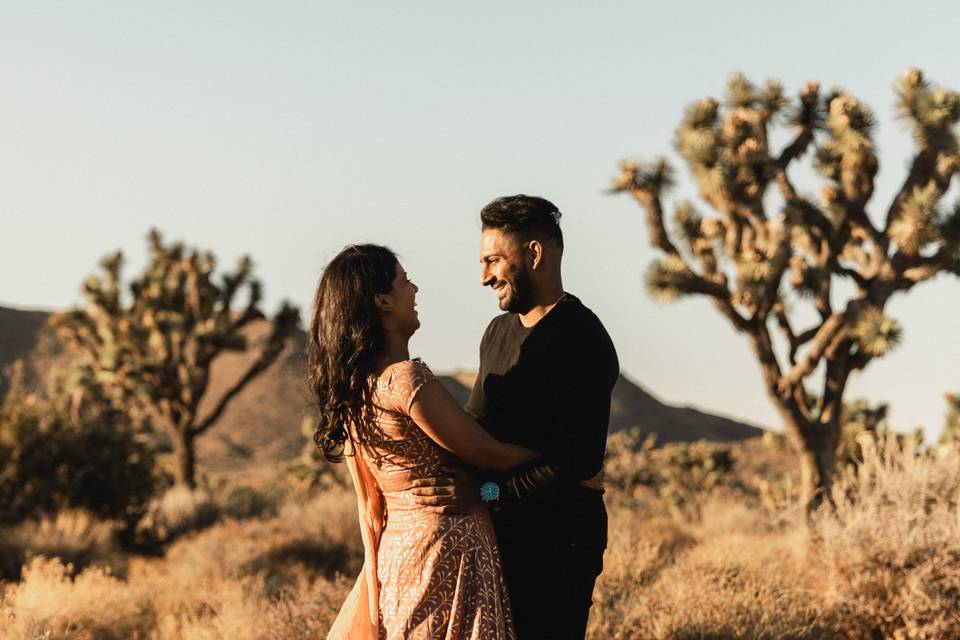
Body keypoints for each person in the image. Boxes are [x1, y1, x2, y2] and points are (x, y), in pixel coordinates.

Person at [412, 195, 619, 639]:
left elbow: (575, 462)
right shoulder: (497, 332)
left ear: (534, 254)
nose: (484, 276)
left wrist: (487, 493)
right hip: (496, 537)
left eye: (493, 261)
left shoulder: (580, 339)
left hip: (557, 546)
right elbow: (476, 426)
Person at [310, 244, 539, 640]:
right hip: (446, 548)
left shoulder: (355, 394)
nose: (414, 290)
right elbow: (491, 456)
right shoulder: (406, 381)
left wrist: (481, 489)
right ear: (382, 301)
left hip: (399, 555)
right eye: (404, 282)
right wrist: (563, 453)